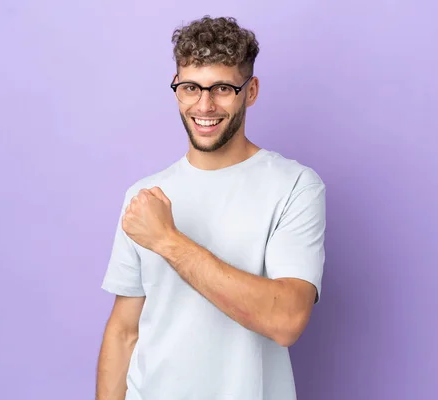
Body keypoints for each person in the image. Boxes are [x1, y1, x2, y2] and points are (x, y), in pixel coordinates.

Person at [96, 15, 326, 400]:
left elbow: (286, 320)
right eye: (190, 87)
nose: (204, 105)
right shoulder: (144, 197)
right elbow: (124, 331)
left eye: (221, 88)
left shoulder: (295, 186)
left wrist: (167, 240)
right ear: (176, 90)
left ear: (250, 91)